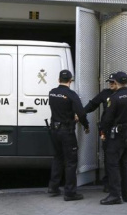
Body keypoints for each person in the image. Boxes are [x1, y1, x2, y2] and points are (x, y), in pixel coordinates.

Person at [99, 72, 127, 205]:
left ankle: (115, 195)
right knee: (124, 166)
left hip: (116, 137)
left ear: (117, 82)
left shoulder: (114, 98)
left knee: (113, 165)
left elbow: (107, 119)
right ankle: (126, 194)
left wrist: (103, 132)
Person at [47, 69, 90, 201]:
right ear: (70, 81)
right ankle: (70, 193)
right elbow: (81, 113)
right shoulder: (71, 95)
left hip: (54, 129)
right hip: (66, 131)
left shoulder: (52, 93)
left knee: (58, 158)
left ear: (58, 80)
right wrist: (85, 125)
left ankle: (53, 188)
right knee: (71, 162)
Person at [84, 73, 117, 193]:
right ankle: (108, 183)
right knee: (108, 158)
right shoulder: (105, 93)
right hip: (107, 131)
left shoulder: (123, 95)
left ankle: (118, 183)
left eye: (114, 82)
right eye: (110, 82)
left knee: (120, 160)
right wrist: (81, 113)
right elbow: (93, 104)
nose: (111, 84)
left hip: (120, 131)